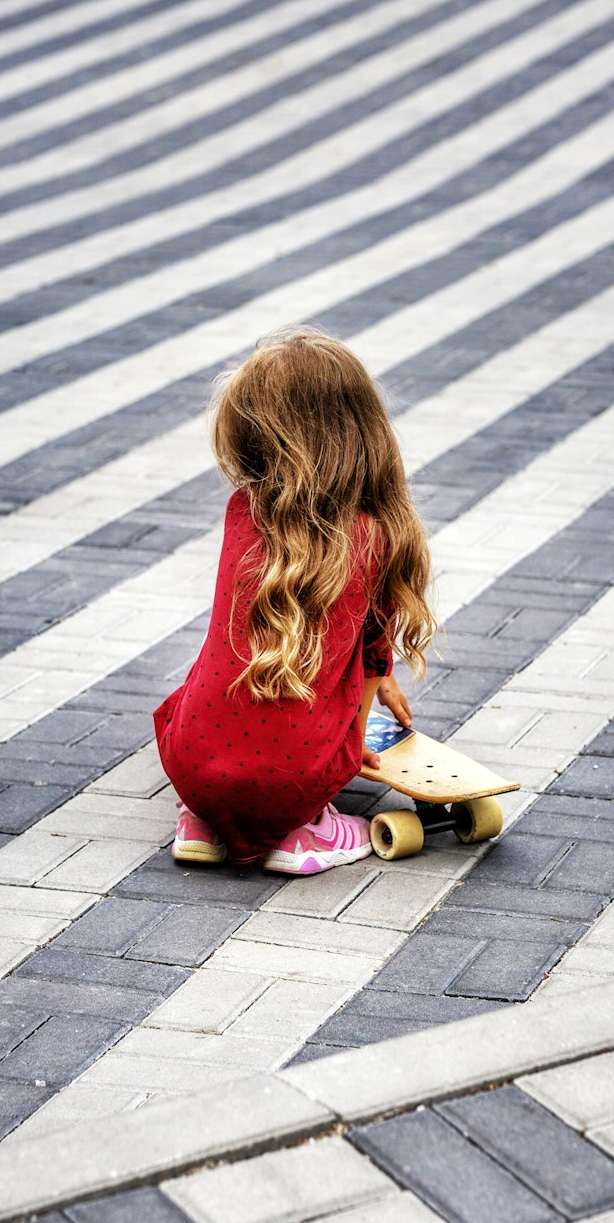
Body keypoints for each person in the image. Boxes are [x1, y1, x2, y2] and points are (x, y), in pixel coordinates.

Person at [153, 328, 436, 875]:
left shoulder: (243, 510)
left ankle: (200, 821)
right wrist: (347, 756)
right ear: (362, 432)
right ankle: (306, 833)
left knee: (199, 685)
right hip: (295, 779)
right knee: (301, 772)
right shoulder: (377, 535)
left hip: (192, 760)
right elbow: (368, 653)